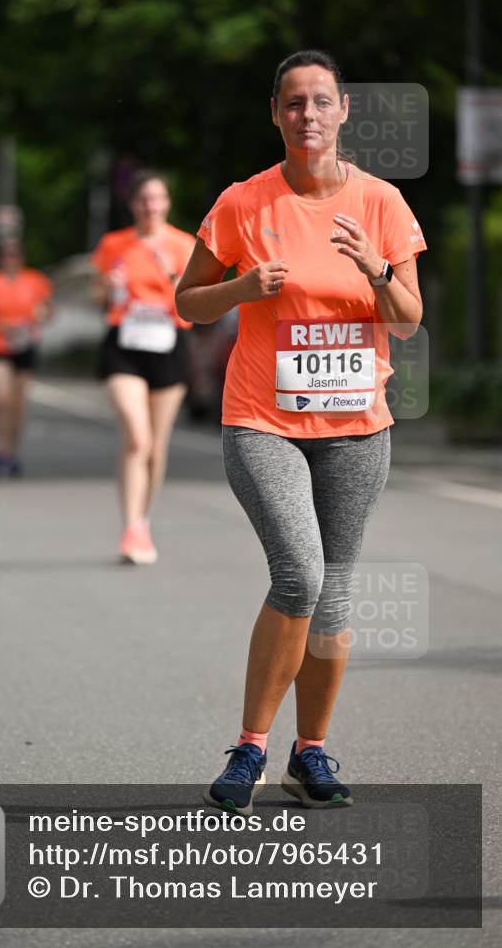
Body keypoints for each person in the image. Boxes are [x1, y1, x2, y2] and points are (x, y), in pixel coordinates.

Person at [176, 50, 427, 812]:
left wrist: (376, 270)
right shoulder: (243, 203)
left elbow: (406, 322)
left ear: (343, 110)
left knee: (334, 594)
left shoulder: (380, 203)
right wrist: (241, 287)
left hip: (356, 427)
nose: (307, 115)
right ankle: (249, 748)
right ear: (274, 114)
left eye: (320, 101)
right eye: (293, 102)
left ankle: (308, 753)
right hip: (263, 421)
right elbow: (187, 302)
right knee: (300, 576)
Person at [90, 170, 195, 564]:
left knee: (155, 446)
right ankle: (131, 527)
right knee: (137, 437)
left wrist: (172, 273)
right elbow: (96, 296)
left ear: (167, 202)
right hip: (125, 344)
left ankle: (144, 521)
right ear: (132, 204)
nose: (150, 205)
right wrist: (109, 285)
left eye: (157, 198)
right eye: (143, 198)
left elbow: (195, 303)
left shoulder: (184, 245)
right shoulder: (113, 244)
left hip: (168, 344)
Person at [0, 241, 53, 477]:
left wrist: (42, 315)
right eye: (6, 255)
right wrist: (5, 327)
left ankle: (13, 452)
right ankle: (0, 449)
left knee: (18, 403)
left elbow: (48, 311)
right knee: (1, 398)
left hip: (25, 346)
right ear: (0, 258)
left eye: (15, 255)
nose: (11, 259)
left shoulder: (35, 281)